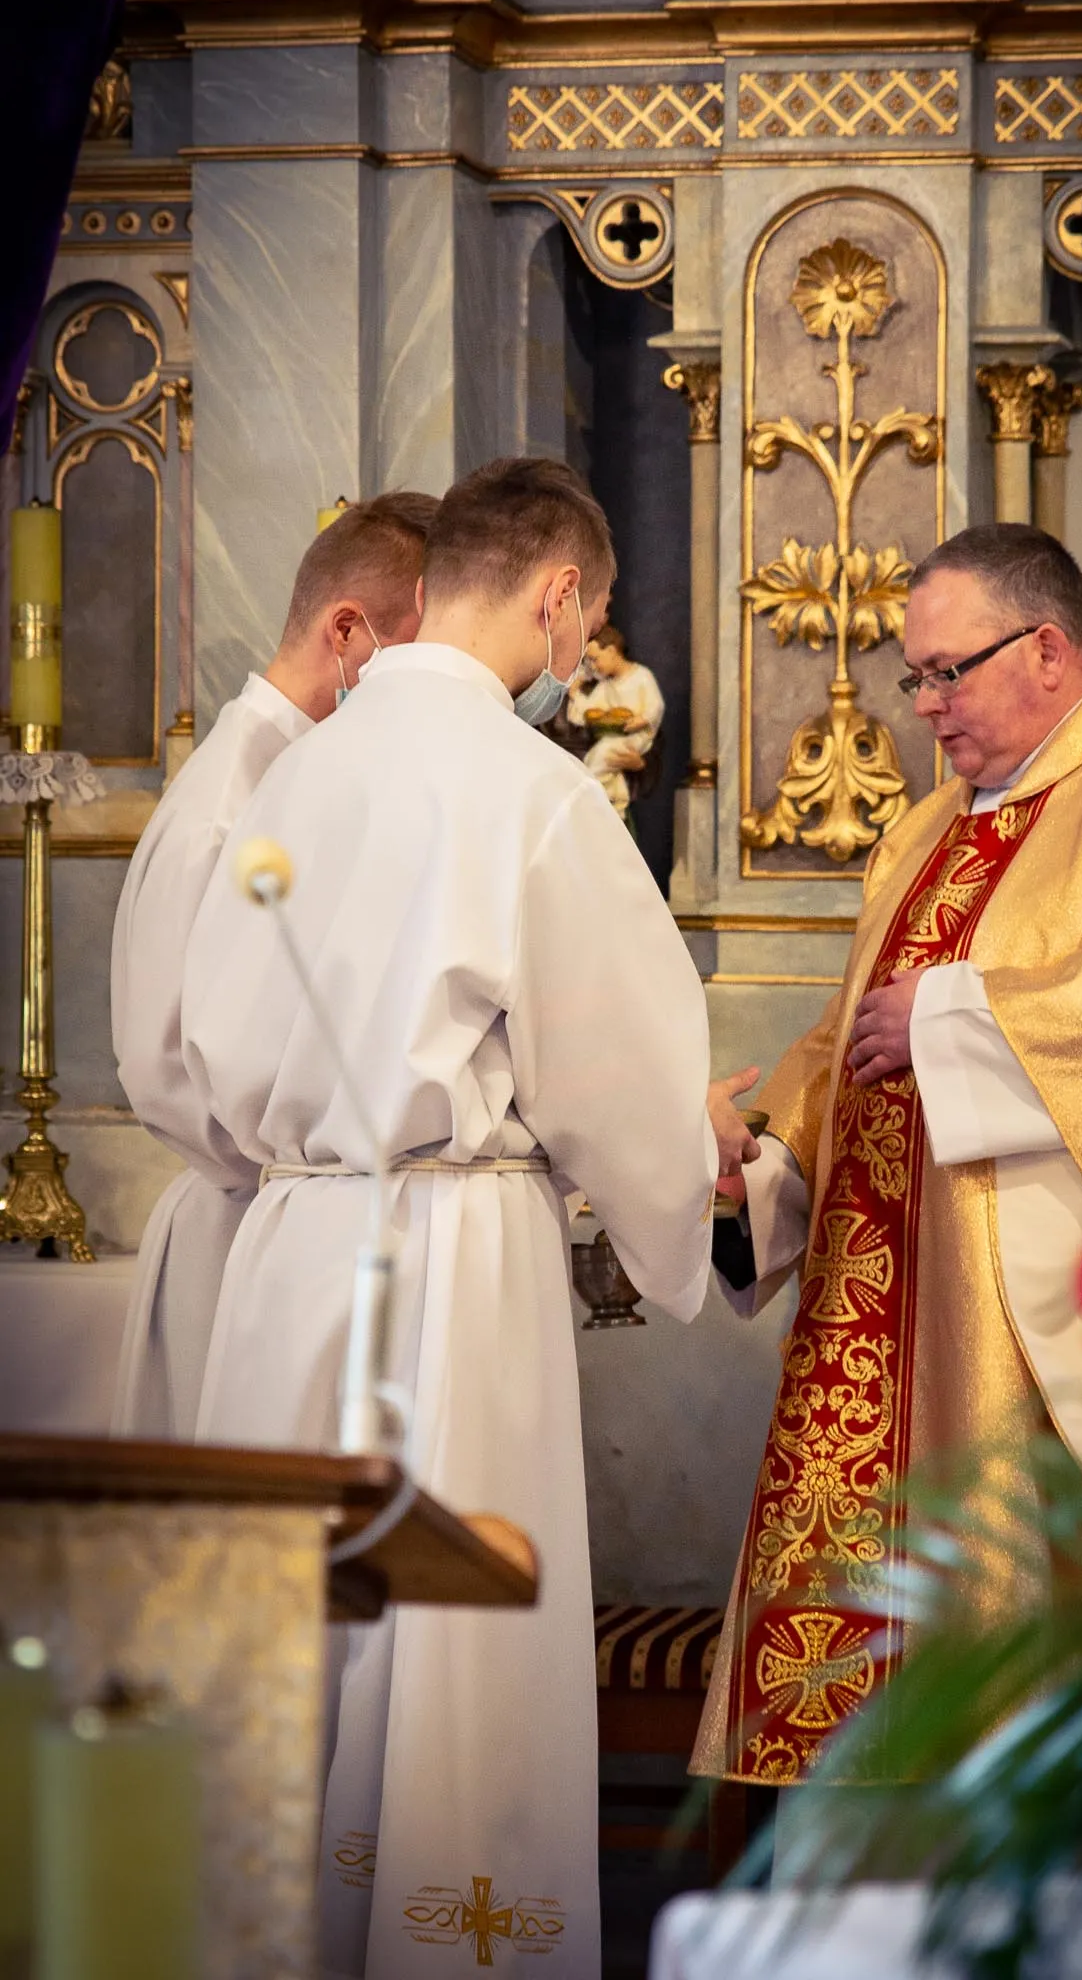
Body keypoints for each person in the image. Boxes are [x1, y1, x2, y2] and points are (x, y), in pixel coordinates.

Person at [179, 457, 758, 1980]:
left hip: (287, 1253)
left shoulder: (289, 774)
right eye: (594, 619)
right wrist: (697, 1154)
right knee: (450, 1656)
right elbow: (613, 1075)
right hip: (448, 1259)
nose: (584, 651)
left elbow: (203, 1037)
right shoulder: (533, 792)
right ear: (559, 595)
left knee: (287, 1648)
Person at [695, 522, 1082, 1791]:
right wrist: (757, 1164)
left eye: (945, 672)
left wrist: (962, 1013)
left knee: (1034, 1694)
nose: (924, 706)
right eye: (914, 676)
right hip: (872, 1320)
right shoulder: (921, 830)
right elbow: (844, 1041)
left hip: (1020, 1337)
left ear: (1048, 649)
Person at [110, 491, 437, 1438]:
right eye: (419, 657)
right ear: (347, 631)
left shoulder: (308, 780)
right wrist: (318, 1165)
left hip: (300, 1221)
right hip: (242, 1235)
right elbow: (161, 1066)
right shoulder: (228, 807)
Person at [565, 620, 665, 818]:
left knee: (600, 758)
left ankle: (592, 802)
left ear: (611, 651)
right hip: (613, 738)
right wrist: (575, 694)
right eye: (589, 662)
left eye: (595, 659)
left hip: (636, 737)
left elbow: (656, 705)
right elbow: (588, 713)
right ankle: (613, 803)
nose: (593, 666)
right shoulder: (605, 686)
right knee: (595, 758)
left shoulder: (641, 676)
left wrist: (643, 719)